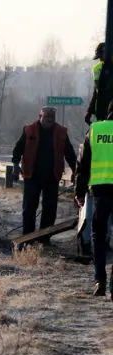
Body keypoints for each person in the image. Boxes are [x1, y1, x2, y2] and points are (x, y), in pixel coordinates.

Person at [12, 106, 77, 244]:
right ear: (40, 117)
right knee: (29, 208)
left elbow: (70, 153)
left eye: (52, 117)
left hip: (52, 176)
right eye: (46, 117)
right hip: (32, 176)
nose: (49, 120)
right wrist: (15, 164)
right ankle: (27, 238)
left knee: (50, 209)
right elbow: (18, 149)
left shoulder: (61, 132)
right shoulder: (29, 130)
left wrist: (76, 170)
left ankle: (44, 239)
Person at [74, 100, 113, 298]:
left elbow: (82, 164)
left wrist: (79, 193)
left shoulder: (95, 130)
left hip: (100, 191)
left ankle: (100, 280)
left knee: (98, 233)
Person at [86, 42, 105, 125]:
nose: (100, 60)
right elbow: (96, 92)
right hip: (101, 113)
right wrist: (89, 111)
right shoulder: (97, 69)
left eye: (101, 57)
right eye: (99, 57)